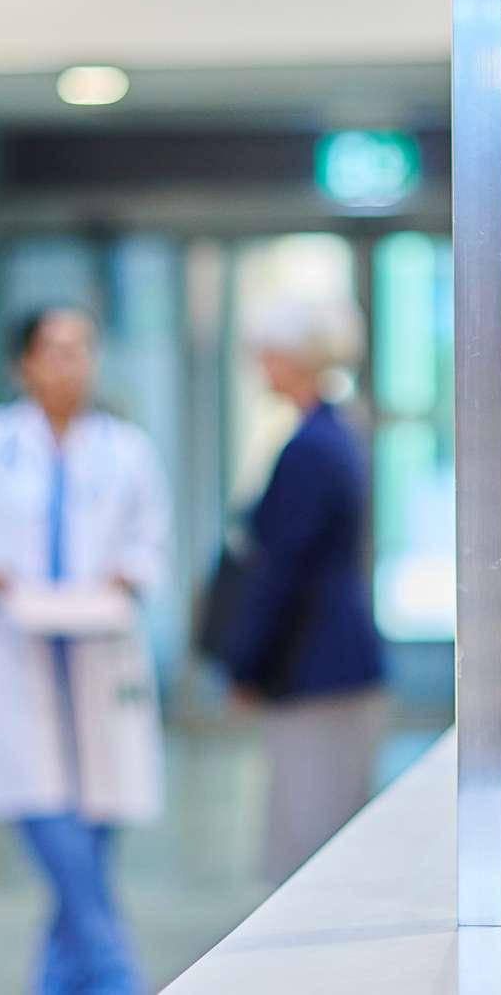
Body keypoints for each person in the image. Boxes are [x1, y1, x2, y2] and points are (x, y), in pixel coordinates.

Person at [0, 308, 169, 995]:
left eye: (84, 349)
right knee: (66, 854)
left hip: (99, 658)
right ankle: (122, 980)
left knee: (88, 852)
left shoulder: (127, 450)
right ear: (23, 364)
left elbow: (151, 542)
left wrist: (127, 573)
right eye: (56, 350)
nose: (73, 363)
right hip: (14, 655)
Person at [219, 296, 391, 883]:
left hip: (313, 669)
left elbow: (283, 572)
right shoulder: (337, 434)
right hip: (335, 664)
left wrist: (245, 665)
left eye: (268, 355)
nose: (260, 367)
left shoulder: (308, 450)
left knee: (309, 847)